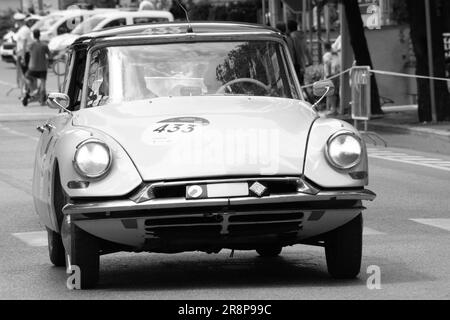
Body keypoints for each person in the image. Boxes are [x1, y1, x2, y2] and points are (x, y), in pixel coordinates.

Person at [22, 29, 50, 106]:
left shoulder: (31, 45)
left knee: (26, 77)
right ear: (39, 35)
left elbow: (27, 52)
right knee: (43, 83)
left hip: (32, 68)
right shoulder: (44, 45)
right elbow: (49, 55)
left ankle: (32, 90)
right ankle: (42, 99)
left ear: (33, 35)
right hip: (42, 68)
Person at [13, 12, 33, 95]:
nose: (16, 23)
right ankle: (25, 92)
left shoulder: (24, 30)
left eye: (17, 21)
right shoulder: (22, 30)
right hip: (21, 53)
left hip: (24, 54)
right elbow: (20, 43)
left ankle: (31, 91)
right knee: (23, 74)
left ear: (20, 21)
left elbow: (24, 44)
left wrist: (23, 57)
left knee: (25, 74)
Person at [287, 20, 312, 85]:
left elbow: (296, 51)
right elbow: (307, 49)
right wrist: (310, 61)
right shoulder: (303, 36)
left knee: (296, 84)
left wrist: (299, 65)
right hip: (303, 63)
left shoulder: (292, 37)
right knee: (301, 83)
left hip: (296, 64)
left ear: (288, 28)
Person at [322, 42, 340, 115]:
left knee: (330, 93)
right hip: (336, 74)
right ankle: (333, 108)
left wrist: (328, 75)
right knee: (334, 92)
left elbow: (328, 64)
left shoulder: (326, 55)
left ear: (325, 48)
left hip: (330, 75)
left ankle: (333, 109)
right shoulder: (334, 54)